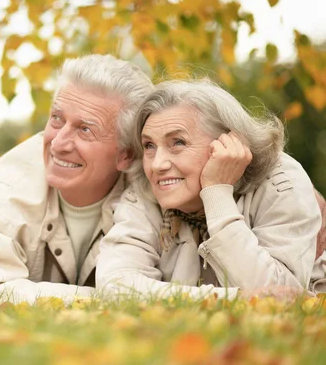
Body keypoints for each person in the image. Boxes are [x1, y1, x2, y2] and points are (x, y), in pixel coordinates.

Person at [0, 54, 154, 304]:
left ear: (127, 154)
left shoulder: (156, 193)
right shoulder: (3, 189)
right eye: (57, 119)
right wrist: (107, 297)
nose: (57, 143)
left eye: (85, 129)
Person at [97, 79, 326, 300]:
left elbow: (279, 295)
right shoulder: (147, 190)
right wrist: (225, 298)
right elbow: (115, 284)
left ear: (228, 145)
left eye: (178, 142)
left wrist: (217, 193)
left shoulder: (281, 182)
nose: (157, 165)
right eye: (149, 146)